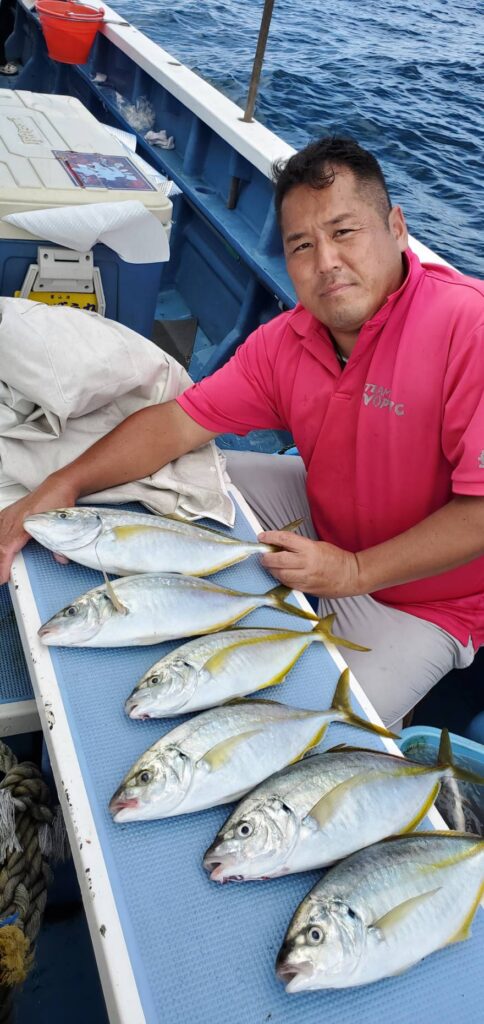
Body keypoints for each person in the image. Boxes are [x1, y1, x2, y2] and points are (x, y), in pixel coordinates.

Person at [1, 135, 484, 728]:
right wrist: (64, 484)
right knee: (168, 485)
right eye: (302, 245)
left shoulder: (468, 327)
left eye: (344, 232)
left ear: (397, 228)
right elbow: (176, 425)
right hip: (320, 509)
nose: (326, 262)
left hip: (426, 599)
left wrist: (352, 573)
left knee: (307, 734)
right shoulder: (289, 339)